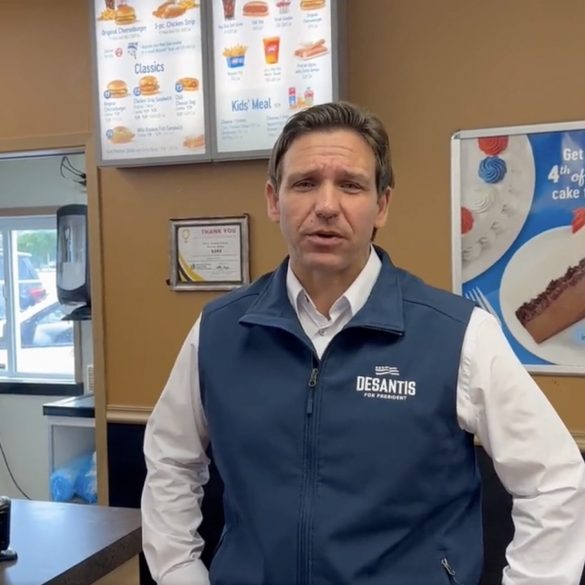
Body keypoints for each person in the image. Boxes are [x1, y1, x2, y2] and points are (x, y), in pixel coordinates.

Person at [141, 101, 585, 585]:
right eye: (305, 183)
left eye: (350, 185)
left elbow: (555, 482)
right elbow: (171, 462)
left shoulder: (458, 334)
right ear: (273, 199)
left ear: (382, 205)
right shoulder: (220, 331)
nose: (326, 205)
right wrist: (179, 572)